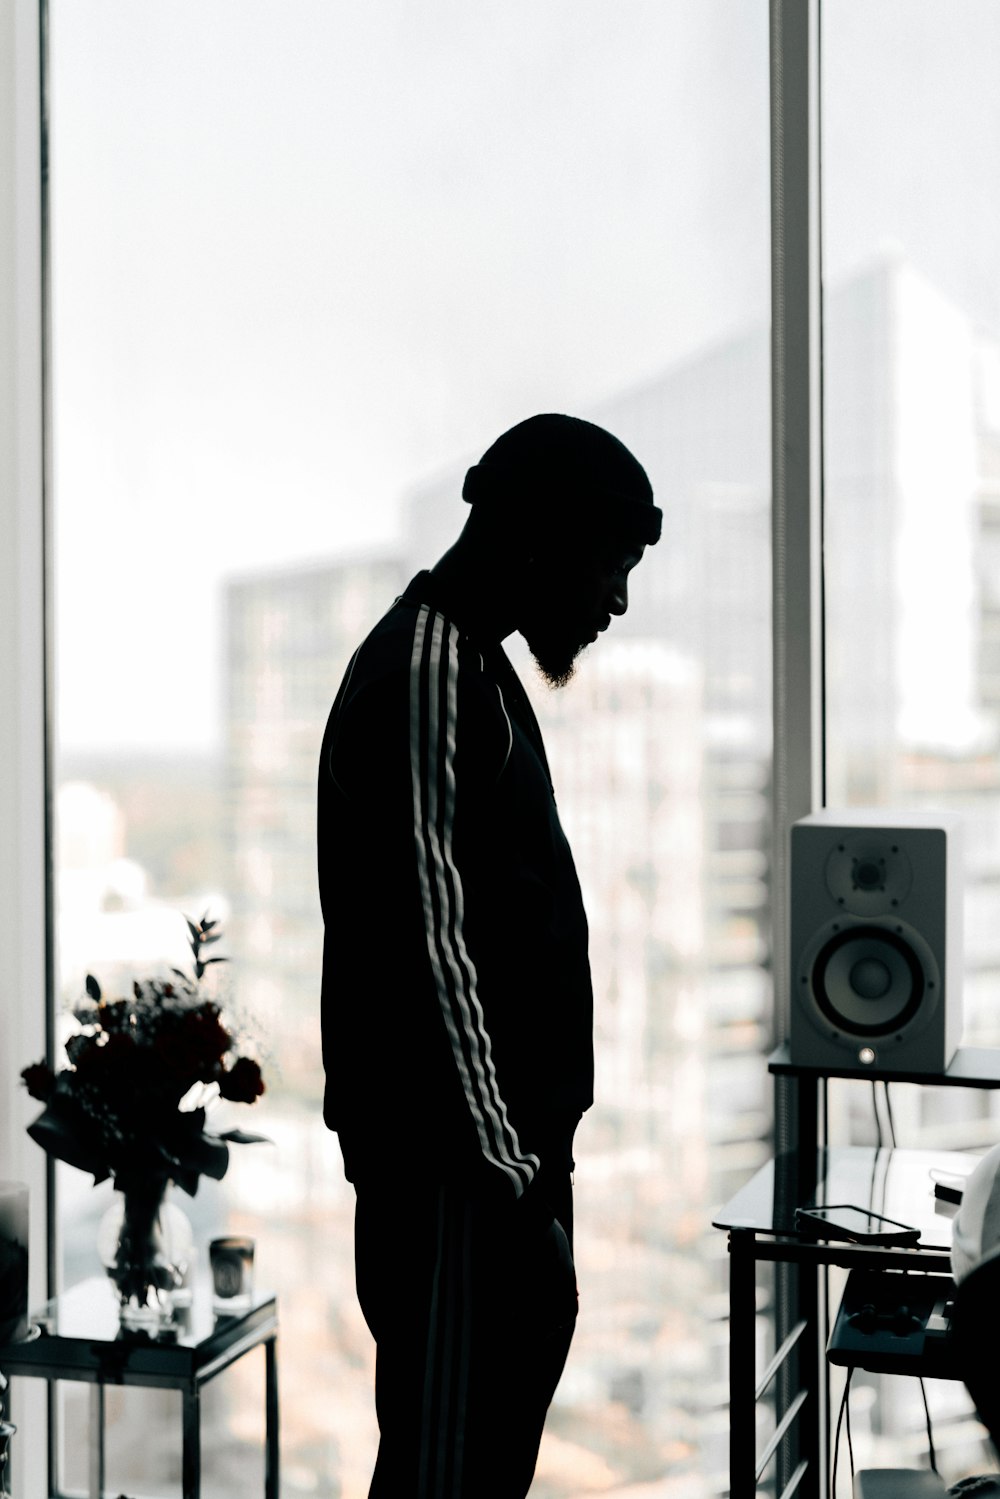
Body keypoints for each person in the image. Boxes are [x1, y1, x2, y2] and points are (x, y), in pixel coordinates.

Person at [317, 412, 661, 1497]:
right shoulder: (430, 671)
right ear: (536, 540)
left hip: (489, 1178)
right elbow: (426, 947)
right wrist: (508, 1178)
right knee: (445, 1475)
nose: (613, 599)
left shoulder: (470, 664)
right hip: (460, 1183)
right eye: (609, 563)